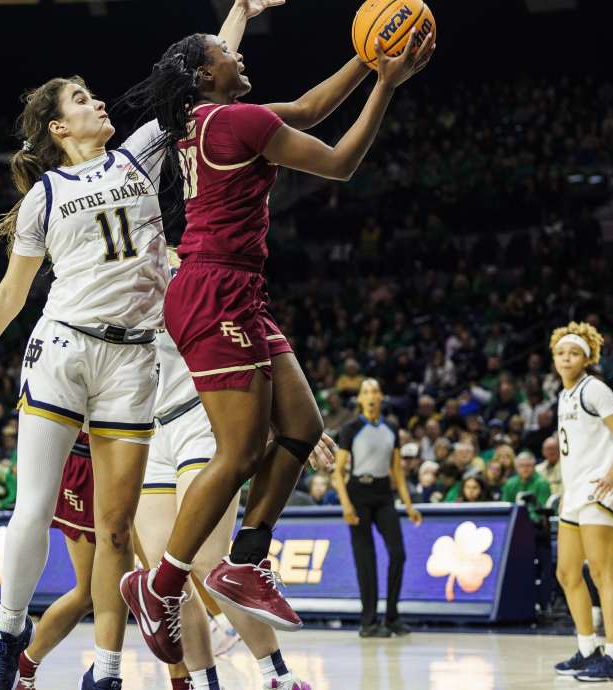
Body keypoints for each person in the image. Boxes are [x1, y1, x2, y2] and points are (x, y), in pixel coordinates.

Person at [0, 6, 278, 688]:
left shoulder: (139, 154)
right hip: (63, 347)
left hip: (132, 362)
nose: (98, 101)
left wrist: (239, 13)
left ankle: (106, 671)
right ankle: (7, 634)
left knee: (115, 529)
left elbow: (200, 79)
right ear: (58, 128)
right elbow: (11, 296)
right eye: (81, 99)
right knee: (32, 504)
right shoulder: (43, 197)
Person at [115, 16, 435, 658]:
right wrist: (387, 85)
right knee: (237, 453)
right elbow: (340, 163)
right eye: (224, 51)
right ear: (204, 74)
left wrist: (370, 58)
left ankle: (247, 559)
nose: (237, 55)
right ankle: (161, 587)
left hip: (236, 289)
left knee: (303, 426)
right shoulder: (236, 122)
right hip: (214, 290)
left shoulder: (211, 120)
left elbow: (311, 108)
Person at [134, 315, 321, 690]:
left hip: (200, 413)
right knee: (165, 577)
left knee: (206, 558)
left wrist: (287, 411)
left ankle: (277, 675)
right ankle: (202, 683)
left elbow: (247, 328)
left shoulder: (193, 279)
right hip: (144, 426)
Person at [548, 323, 613, 682]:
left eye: (574, 353)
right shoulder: (563, 395)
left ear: (586, 358)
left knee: (601, 572)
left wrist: (612, 475)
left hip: (599, 488)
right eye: (561, 353)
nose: (566, 359)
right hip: (575, 492)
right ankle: (587, 650)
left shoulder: (594, 388)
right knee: (567, 573)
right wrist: (566, 491)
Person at [332, 378, 422, 639]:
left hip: (383, 493)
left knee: (398, 553)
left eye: (375, 391)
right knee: (366, 560)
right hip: (358, 492)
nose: (371, 396)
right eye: (366, 392)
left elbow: (398, 472)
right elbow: (338, 473)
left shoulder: (391, 428)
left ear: (381, 397)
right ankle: (368, 621)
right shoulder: (350, 429)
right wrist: (346, 505)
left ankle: (392, 616)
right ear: (360, 399)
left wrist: (409, 505)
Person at [17, 433, 98, 690]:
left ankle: (106, 670)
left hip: (144, 449)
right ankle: (26, 666)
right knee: (89, 592)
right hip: (88, 456)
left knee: (165, 582)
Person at [502, 450, 554, 612]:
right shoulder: (510, 484)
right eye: (521, 466)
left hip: (538, 532)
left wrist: (524, 518)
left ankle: (544, 603)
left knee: (544, 564)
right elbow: (506, 507)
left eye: (528, 465)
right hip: (516, 531)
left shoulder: (542, 483)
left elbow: (542, 510)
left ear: (534, 466)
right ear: (516, 467)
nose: (525, 469)